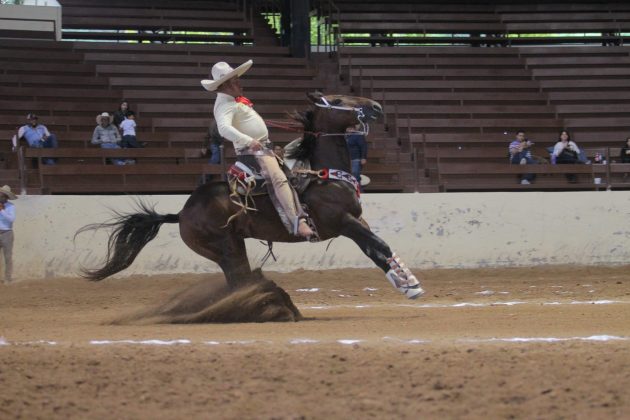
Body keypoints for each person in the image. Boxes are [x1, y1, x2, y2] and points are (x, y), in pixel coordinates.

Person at [201, 60, 314, 239]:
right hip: (254, 152)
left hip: (263, 147)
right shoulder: (224, 105)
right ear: (227, 85)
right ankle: (297, 221)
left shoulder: (232, 101)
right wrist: (248, 140)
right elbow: (223, 128)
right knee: (278, 179)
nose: (240, 83)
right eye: (236, 81)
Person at [0, 185, 17, 284]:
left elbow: (12, 219)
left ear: (6, 197)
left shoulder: (11, 206)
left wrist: (2, 210)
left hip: (7, 233)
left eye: (2, 195)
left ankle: (8, 278)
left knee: (7, 257)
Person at [345, 124, 368, 191]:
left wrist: (363, 157)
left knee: (355, 176)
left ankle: (359, 192)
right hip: (346, 159)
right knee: (348, 176)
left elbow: (363, 147)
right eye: (348, 128)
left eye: (350, 128)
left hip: (356, 159)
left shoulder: (358, 135)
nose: (349, 129)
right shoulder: (345, 136)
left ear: (354, 128)